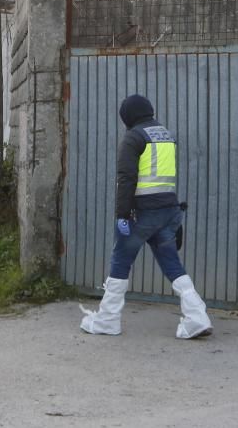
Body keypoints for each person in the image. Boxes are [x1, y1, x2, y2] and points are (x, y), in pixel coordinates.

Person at [80, 94, 212, 339]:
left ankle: (107, 320)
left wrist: (122, 214)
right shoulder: (167, 135)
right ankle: (197, 317)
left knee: (120, 261)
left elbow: (126, 178)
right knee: (172, 264)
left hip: (141, 214)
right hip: (168, 212)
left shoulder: (134, 137)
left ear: (128, 117)